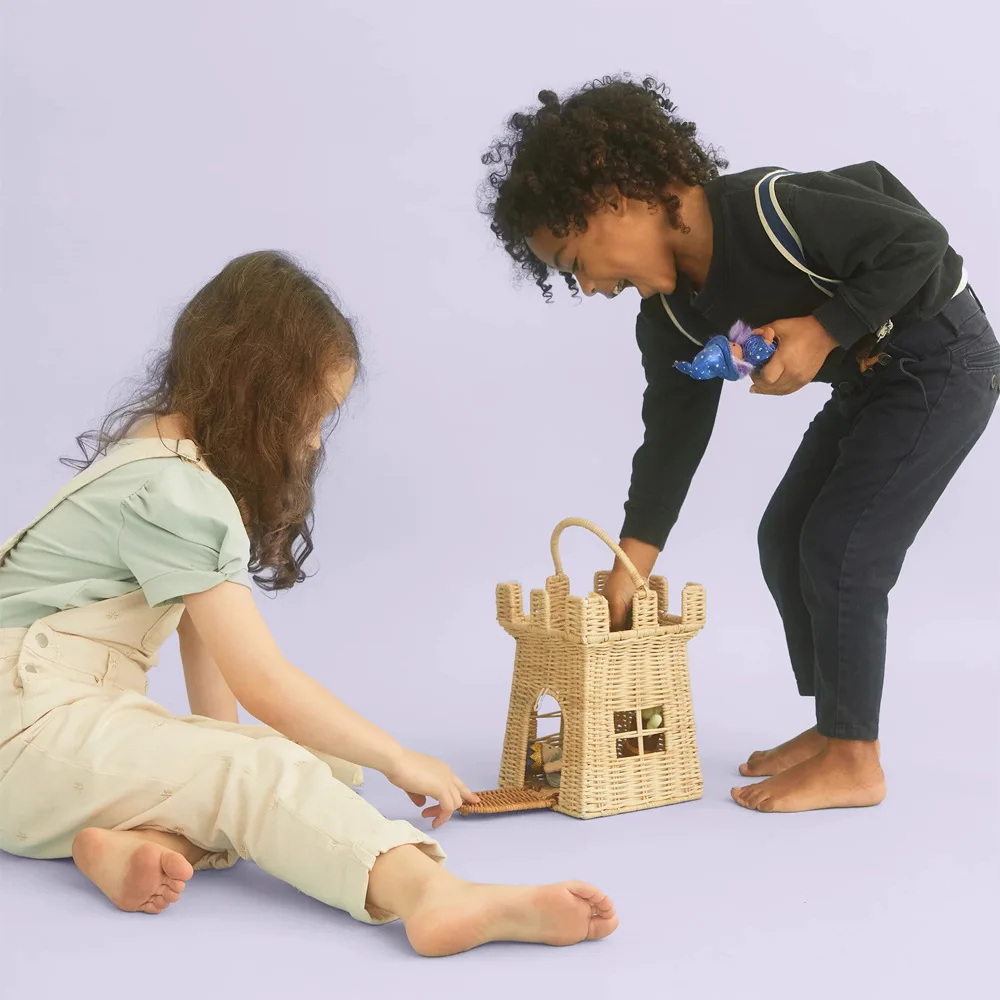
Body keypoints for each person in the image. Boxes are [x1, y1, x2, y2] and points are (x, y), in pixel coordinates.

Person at [0, 251, 618, 955]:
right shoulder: (176, 491)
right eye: (312, 414)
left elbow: (219, 686)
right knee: (268, 770)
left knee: (307, 763)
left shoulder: (162, 458)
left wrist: (238, 748)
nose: (315, 438)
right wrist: (396, 757)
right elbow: (262, 681)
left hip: (46, 741)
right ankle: (431, 896)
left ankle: (131, 843)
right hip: (27, 734)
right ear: (257, 392)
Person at [480, 75, 999, 814]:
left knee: (845, 546)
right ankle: (833, 728)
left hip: (943, 363)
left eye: (574, 262)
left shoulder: (768, 210)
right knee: (785, 534)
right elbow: (671, 440)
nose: (589, 288)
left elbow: (919, 240)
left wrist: (824, 331)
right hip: (871, 386)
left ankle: (857, 761)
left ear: (610, 200)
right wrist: (631, 566)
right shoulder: (670, 319)